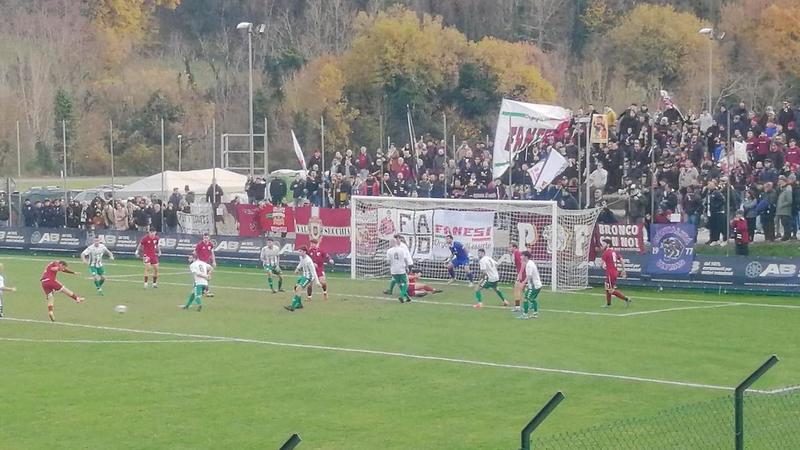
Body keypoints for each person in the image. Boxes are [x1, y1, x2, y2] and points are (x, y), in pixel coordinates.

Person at [284, 246, 321, 312]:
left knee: (298, 288)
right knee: (296, 287)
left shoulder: (309, 261)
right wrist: (297, 268)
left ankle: (292, 307)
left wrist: (317, 282)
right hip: (304, 276)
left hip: (308, 277)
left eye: (300, 251)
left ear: (304, 252)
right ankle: (299, 304)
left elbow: (313, 272)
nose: (299, 252)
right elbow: (301, 263)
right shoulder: (301, 257)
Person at [599, 238, 631, 308]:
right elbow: (621, 259)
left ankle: (626, 299)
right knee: (607, 288)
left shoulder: (606, 253)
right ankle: (608, 304)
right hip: (614, 272)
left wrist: (604, 266)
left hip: (610, 273)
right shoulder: (614, 252)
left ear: (608, 244)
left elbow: (601, 264)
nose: (602, 246)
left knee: (610, 290)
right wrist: (623, 269)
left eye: (604, 244)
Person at [387, 236, 414, 303]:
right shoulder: (401, 250)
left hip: (393, 270)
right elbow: (405, 259)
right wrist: (407, 267)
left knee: (400, 284)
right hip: (401, 269)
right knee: (405, 283)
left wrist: (392, 265)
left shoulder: (389, 251)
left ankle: (407, 297)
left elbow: (388, 262)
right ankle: (402, 296)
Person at [519, 251, 542, 320]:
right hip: (537, 285)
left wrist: (523, 283)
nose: (521, 257)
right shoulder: (530, 263)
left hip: (534, 286)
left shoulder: (529, 265)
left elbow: (529, 276)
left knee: (525, 298)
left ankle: (525, 314)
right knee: (532, 299)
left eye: (522, 256)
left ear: (526, 257)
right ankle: (535, 314)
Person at [193, 232, 217, 297]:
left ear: (209, 238)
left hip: (207, 262)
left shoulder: (210, 245)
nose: (205, 239)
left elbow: (212, 253)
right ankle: (204, 290)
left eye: (206, 237)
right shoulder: (200, 244)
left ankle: (204, 290)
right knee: (202, 277)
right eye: (204, 237)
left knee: (207, 276)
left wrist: (214, 261)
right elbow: (195, 252)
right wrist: (195, 260)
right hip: (200, 263)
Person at [509, 243, 524, 312]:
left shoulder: (517, 253)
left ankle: (517, 307)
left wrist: (520, 273)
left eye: (510, 247)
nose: (509, 248)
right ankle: (529, 304)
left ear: (514, 247)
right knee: (522, 289)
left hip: (522, 274)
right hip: (523, 273)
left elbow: (522, 263)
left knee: (516, 289)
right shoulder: (516, 253)